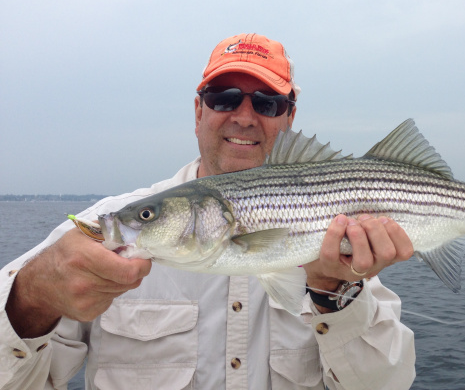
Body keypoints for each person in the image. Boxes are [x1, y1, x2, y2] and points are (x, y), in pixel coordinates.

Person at [0, 33, 416, 389]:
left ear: (289, 118)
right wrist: (32, 298)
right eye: (224, 98)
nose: (245, 117)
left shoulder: (339, 232)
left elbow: (390, 382)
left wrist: (335, 294)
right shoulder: (108, 225)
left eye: (268, 104)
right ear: (199, 111)